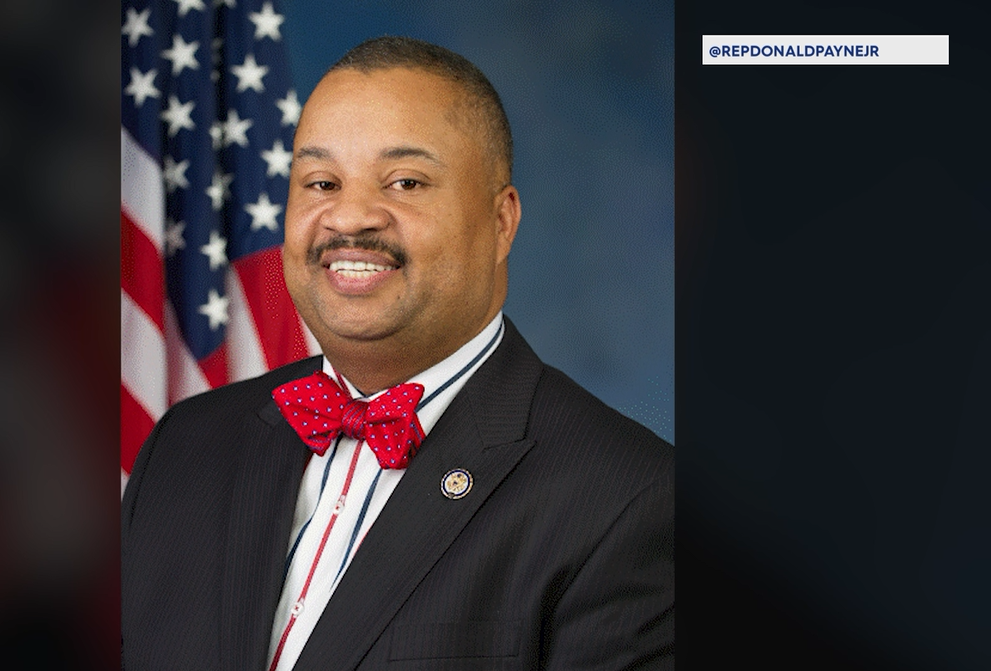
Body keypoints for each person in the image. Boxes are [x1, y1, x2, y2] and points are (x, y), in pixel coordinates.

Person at [121, 36, 674, 670]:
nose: (350, 217)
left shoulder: (629, 500)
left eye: (405, 182)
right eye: (322, 182)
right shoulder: (184, 448)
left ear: (501, 222)